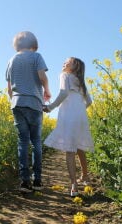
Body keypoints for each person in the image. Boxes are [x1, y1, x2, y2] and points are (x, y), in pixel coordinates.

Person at [6, 31, 51, 193]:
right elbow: (42, 76)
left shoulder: (11, 60)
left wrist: (14, 101)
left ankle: (24, 182)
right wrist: (46, 90)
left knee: (23, 142)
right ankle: (37, 180)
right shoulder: (36, 56)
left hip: (17, 104)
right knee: (36, 141)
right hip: (34, 103)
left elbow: (9, 88)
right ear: (33, 46)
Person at [43, 57, 94, 197]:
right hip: (81, 115)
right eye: (64, 60)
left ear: (75, 66)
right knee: (79, 148)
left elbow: (63, 92)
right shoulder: (80, 82)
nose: (64, 62)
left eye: (68, 61)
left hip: (69, 115)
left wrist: (50, 107)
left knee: (70, 150)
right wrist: (79, 109)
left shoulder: (64, 75)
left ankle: (74, 186)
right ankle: (85, 176)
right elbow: (89, 101)